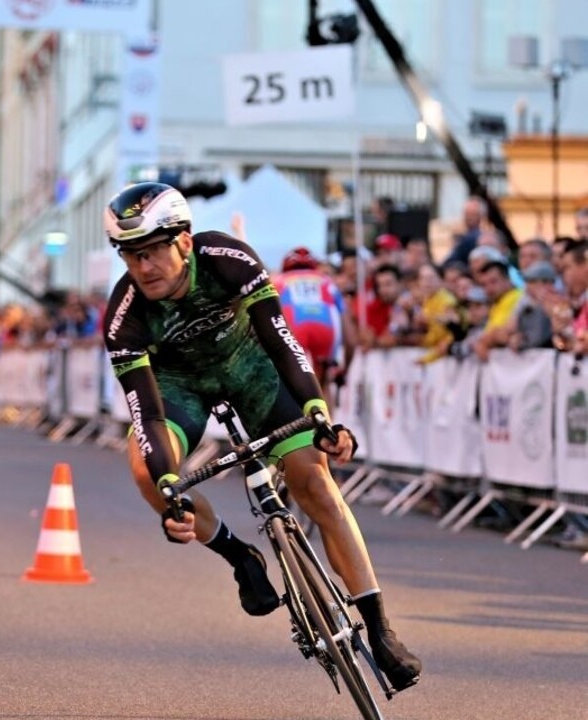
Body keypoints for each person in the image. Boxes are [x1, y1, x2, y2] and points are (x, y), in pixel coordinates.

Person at [99, 182, 422, 691]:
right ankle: (239, 556)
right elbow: (146, 412)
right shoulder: (124, 317)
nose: (143, 268)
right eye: (130, 256)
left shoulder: (227, 258)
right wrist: (167, 487)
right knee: (144, 466)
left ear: (183, 241)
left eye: (152, 252)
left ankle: (380, 630)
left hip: (252, 368)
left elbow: (281, 337)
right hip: (179, 388)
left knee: (313, 483)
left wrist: (317, 410)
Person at [273, 247, 348, 401]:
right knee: (323, 385)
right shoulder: (327, 281)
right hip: (326, 329)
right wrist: (346, 366)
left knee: (291, 384)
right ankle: (328, 423)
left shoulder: (278, 280)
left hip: (294, 326)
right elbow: (348, 327)